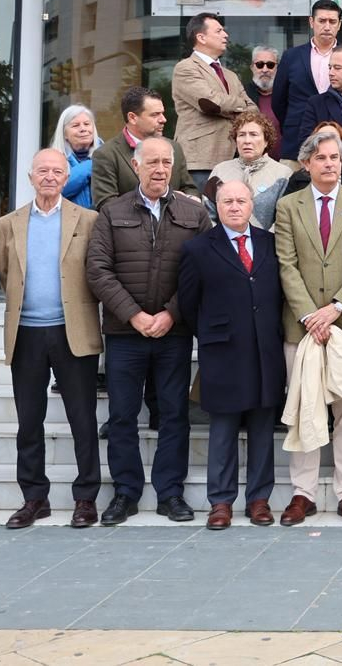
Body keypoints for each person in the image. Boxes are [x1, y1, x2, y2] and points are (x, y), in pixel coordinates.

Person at [86, 136, 213, 526]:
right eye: (152, 162)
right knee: (123, 415)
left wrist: (171, 314)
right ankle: (125, 493)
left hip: (174, 333)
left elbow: (205, 269)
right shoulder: (112, 211)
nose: (160, 169)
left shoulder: (194, 214)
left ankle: (170, 493)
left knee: (173, 413)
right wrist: (134, 316)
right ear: (136, 166)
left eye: (166, 162)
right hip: (125, 335)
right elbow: (98, 270)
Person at [272, 128, 342, 525]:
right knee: (304, 409)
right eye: (321, 158)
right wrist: (309, 315)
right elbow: (286, 265)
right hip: (301, 328)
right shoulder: (288, 207)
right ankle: (304, 493)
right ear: (306, 164)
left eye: (335, 157)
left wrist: (334, 308)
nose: (329, 164)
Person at [0, 149, 102, 530]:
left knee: (82, 418)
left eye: (58, 171)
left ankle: (86, 498)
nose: (50, 177)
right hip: (26, 333)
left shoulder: (88, 220)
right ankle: (34, 498)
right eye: (43, 171)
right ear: (30, 176)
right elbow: (5, 271)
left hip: (72, 330)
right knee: (29, 420)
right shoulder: (9, 223)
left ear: (66, 177)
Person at [177, 179, 286, 530]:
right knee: (222, 430)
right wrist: (214, 333)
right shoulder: (198, 249)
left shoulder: (271, 244)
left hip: (264, 351)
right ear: (217, 207)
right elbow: (189, 304)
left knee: (261, 429)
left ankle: (259, 499)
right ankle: (221, 502)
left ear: (252, 204)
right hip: (222, 352)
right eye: (227, 202)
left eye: (241, 200)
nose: (235, 207)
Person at [171, 11, 254, 188]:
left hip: (233, 158)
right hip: (200, 159)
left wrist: (227, 106)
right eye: (219, 31)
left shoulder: (230, 75)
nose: (226, 35)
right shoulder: (185, 68)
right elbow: (210, 102)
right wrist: (240, 105)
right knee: (200, 212)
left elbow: (253, 110)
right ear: (201, 37)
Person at [89, 86, 195, 207]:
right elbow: (106, 204)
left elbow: (189, 188)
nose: (163, 119)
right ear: (132, 118)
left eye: (162, 113)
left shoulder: (174, 148)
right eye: (155, 115)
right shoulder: (106, 154)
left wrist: (191, 198)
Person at [273, 0, 342, 152]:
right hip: (296, 140)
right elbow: (278, 100)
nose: (327, 26)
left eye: (332, 21)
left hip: (340, 141)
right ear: (311, 22)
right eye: (322, 21)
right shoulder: (291, 56)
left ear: (339, 24)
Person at [203, 111, 291, 229]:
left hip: (267, 245)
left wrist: (264, 243)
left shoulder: (283, 174)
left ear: (266, 141)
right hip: (222, 244)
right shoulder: (220, 170)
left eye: (253, 134)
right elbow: (207, 214)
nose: (247, 141)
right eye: (241, 135)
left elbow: (284, 220)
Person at [52, 103, 102, 208]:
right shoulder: (53, 159)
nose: (83, 129)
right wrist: (91, 164)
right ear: (64, 134)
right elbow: (58, 189)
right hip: (69, 222)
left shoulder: (109, 155)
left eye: (87, 124)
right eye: (75, 125)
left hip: (103, 222)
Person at [243, 43, 283, 160]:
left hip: (283, 164)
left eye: (270, 65)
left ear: (277, 68)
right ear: (252, 67)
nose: (265, 70)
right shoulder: (242, 94)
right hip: (250, 164)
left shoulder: (287, 94)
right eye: (259, 65)